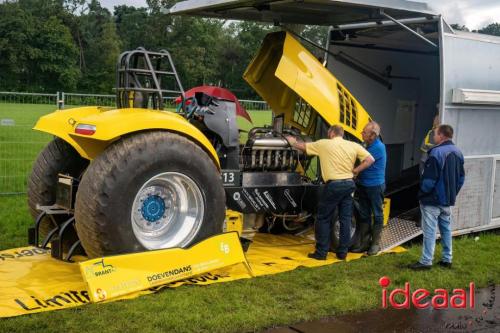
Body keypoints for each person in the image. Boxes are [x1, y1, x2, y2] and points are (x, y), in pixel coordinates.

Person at [286, 125, 374, 260]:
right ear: (342, 134)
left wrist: (292, 141)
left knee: (323, 218)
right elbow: (370, 160)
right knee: (345, 219)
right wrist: (356, 170)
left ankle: (321, 253)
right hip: (349, 184)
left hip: (334, 186)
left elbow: (303, 147)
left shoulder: (324, 144)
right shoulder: (353, 145)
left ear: (331, 133)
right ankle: (342, 253)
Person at [409, 124, 465, 270]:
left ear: (441, 136)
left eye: (435, 134)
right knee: (446, 229)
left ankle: (426, 261)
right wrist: (452, 193)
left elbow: (429, 180)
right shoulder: (458, 152)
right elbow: (461, 178)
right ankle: (447, 259)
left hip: (432, 199)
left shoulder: (436, 153)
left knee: (429, 231)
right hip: (447, 199)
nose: (433, 137)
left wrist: (422, 193)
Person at [350, 121, 387, 256]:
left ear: (372, 135)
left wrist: (354, 171)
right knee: (364, 213)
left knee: (377, 214)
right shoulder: (367, 145)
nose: (361, 134)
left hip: (375, 186)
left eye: (364, 132)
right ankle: (364, 243)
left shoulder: (378, 147)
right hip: (364, 184)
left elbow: (365, 162)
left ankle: (375, 244)